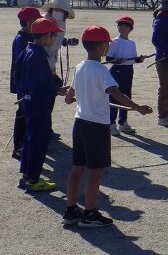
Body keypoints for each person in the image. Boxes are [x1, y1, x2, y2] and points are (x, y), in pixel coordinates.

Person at [62, 26, 152, 227]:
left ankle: (70, 210)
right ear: (102, 46)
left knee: (78, 167)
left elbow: (69, 98)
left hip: (80, 123)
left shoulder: (79, 67)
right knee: (95, 171)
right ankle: (91, 213)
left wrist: (73, 96)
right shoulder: (101, 70)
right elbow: (117, 94)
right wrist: (138, 108)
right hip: (96, 127)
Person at [14, 18, 68, 192]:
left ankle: (27, 174)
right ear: (46, 36)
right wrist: (54, 91)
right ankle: (34, 179)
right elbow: (38, 84)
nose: (54, 38)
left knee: (31, 139)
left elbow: (19, 75)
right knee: (38, 141)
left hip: (29, 102)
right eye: (53, 35)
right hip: (38, 104)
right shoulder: (38, 55)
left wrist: (54, 89)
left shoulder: (28, 50)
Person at [42, 0, 79, 140]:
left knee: (49, 99)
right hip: (42, 66)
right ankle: (44, 130)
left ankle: (47, 129)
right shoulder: (44, 22)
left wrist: (67, 42)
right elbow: (43, 44)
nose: (61, 13)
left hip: (51, 65)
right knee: (46, 98)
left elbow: (57, 40)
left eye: (63, 11)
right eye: (59, 10)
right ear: (52, 9)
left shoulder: (61, 22)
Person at [10, 6, 41, 159]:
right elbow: (21, 65)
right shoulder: (21, 39)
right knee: (22, 114)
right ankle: (19, 146)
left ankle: (25, 143)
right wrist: (24, 86)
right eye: (37, 21)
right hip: (24, 84)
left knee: (28, 113)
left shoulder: (29, 36)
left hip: (28, 83)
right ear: (29, 22)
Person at [106, 16, 146, 135]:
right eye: (120, 25)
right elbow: (108, 58)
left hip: (128, 71)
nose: (122, 28)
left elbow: (132, 59)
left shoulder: (132, 43)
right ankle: (111, 123)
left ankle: (123, 122)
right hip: (116, 71)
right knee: (114, 96)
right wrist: (117, 60)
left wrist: (139, 59)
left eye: (126, 26)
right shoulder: (114, 42)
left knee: (126, 96)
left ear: (130, 29)